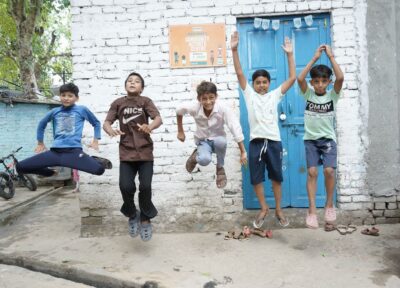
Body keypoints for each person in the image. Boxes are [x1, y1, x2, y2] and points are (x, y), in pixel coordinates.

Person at [231, 31, 296, 228]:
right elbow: (240, 73)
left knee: (276, 177)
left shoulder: (275, 95)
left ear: (269, 83)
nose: (261, 85)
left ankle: (278, 209)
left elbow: (293, 78)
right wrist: (234, 50)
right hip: (256, 142)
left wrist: (290, 55)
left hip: (274, 141)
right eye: (257, 82)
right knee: (256, 178)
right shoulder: (249, 95)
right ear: (253, 84)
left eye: (264, 82)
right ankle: (263, 208)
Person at [103, 72, 162, 242]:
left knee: (145, 187)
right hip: (126, 152)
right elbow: (107, 122)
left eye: (137, 81)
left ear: (141, 87)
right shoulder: (118, 103)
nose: (132, 83)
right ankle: (131, 213)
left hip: (145, 152)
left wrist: (149, 127)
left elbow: (158, 118)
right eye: (129, 81)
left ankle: (145, 218)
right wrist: (111, 130)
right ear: (125, 85)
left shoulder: (145, 101)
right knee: (125, 186)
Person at [16, 83, 111, 178]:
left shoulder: (82, 110)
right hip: (55, 153)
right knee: (20, 167)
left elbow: (96, 123)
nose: (66, 98)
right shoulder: (55, 111)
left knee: (99, 170)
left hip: (73, 153)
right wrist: (40, 142)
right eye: (63, 95)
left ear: (76, 98)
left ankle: (93, 159)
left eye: (70, 96)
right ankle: (49, 173)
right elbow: (41, 124)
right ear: (60, 96)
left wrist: (95, 140)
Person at [297, 45, 344, 229]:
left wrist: (331, 56)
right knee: (312, 172)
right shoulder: (308, 93)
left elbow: (340, 77)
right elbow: (300, 78)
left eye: (324, 81)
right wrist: (314, 58)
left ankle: (329, 205)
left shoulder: (333, 96)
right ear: (312, 83)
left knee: (329, 171)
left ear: (328, 82)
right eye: (316, 81)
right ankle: (311, 210)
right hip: (311, 140)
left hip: (328, 140)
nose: (320, 84)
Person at [176, 81, 247, 188]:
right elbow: (179, 110)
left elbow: (235, 128)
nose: (208, 102)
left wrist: (243, 151)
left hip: (218, 141)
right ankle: (195, 157)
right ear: (199, 99)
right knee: (204, 160)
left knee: (221, 141)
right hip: (203, 141)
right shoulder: (194, 107)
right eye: (204, 98)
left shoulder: (223, 108)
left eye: (211, 97)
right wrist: (180, 131)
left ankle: (220, 168)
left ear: (216, 96)